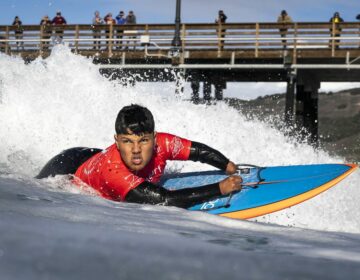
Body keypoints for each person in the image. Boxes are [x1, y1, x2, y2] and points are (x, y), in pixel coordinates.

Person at [36, 104, 243, 208]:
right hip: (68, 166)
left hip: (94, 159)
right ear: (117, 141)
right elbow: (165, 200)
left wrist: (227, 165)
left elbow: (198, 151)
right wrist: (219, 188)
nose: (136, 150)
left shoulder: (164, 143)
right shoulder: (114, 173)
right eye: (127, 141)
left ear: (154, 138)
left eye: (143, 141)